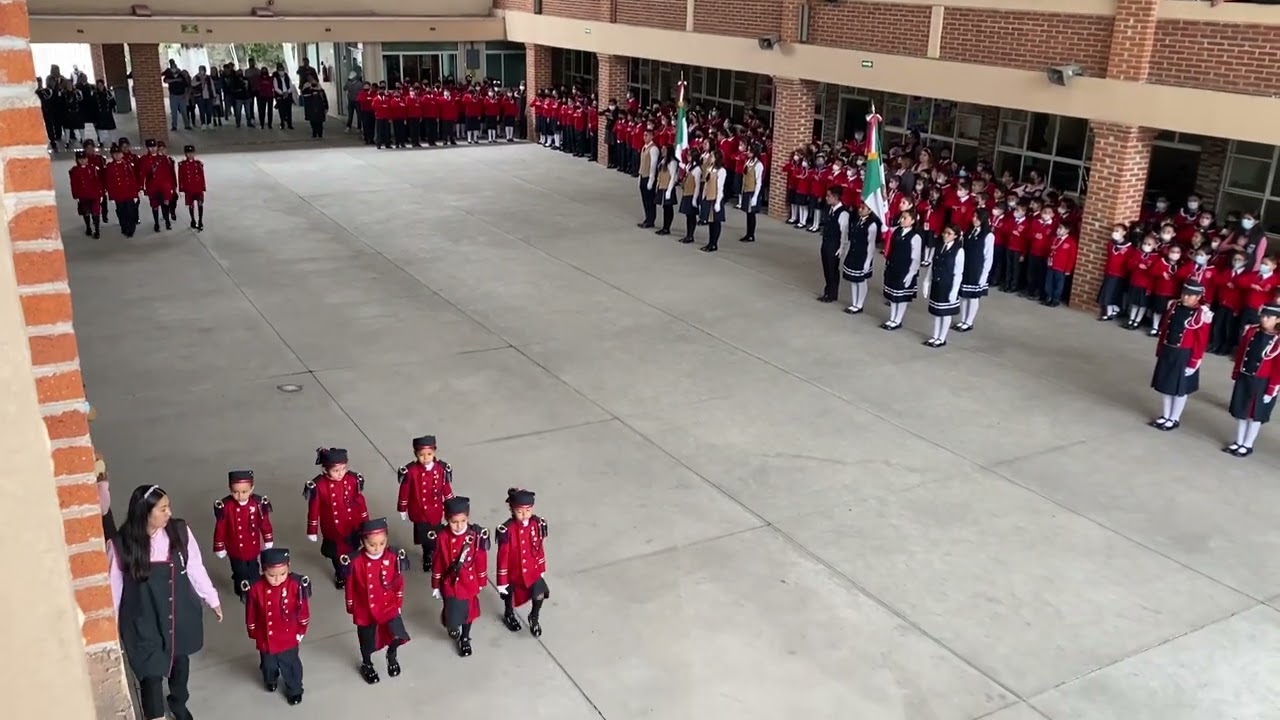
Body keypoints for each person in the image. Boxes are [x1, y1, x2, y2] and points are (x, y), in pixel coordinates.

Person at [109, 485, 222, 720]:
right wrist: (112, 631)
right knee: (150, 676)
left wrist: (211, 598)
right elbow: (113, 589)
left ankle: (178, 702)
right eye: (162, 509)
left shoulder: (179, 532)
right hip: (143, 621)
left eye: (168, 507)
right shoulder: (120, 545)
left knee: (180, 666)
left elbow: (194, 567)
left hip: (177, 614)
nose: (168, 513)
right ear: (145, 513)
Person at [341, 519, 411, 683]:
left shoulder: (393, 557)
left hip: (388, 606)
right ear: (363, 541)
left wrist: (398, 604)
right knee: (367, 641)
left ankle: (392, 654)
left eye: (381, 543)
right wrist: (351, 606)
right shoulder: (356, 561)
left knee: (397, 635)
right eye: (372, 544)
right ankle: (367, 664)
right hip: (365, 610)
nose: (377, 548)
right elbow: (350, 586)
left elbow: (398, 582)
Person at [244, 548, 309, 705]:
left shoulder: (296, 585)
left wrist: (301, 629)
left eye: (282, 574)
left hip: (288, 635)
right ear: (263, 570)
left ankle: (294, 689)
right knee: (268, 663)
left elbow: (303, 609)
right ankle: (270, 679)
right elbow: (251, 611)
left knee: (291, 664)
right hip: (266, 635)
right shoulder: (255, 587)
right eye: (271, 575)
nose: (277, 579)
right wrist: (252, 629)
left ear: (289, 567)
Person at [1148, 282, 1211, 431]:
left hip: (1184, 353)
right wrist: (1160, 349)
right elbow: (1165, 329)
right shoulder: (1174, 306)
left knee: (1179, 389)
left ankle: (1174, 418)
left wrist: (1194, 361)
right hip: (1169, 349)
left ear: (1198, 297)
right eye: (1184, 293)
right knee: (1165, 385)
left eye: (1190, 295)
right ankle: (1165, 414)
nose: (1185, 297)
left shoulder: (1201, 314)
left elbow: (1201, 341)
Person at [430, 496, 489, 657]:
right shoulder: (441, 537)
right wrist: (435, 585)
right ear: (447, 519)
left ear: (467, 518)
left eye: (462, 521)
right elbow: (438, 563)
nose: (458, 526)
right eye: (454, 522)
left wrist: (482, 580)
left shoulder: (475, 536)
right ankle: (452, 625)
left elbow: (481, 559)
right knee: (453, 613)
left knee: (469, 614)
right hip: (450, 584)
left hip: (469, 583)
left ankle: (465, 637)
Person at [305, 447, 370, 588]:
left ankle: (352, 573)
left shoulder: (353, 479)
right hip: (332, 528)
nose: (341, 473)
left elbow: (360, 501)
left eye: (343, 469)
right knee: (337, 554)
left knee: (353, 550)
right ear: (325, 470)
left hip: (352, 524)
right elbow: (314, 509)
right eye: (336, 470)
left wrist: (365, 521)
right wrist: (312, 528)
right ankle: (340, 573)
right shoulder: (319, 486)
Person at [1225, 304, 1280, 458]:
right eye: (1263, 316)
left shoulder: (1278, 340)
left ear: (1277, 320)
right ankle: (1239, 441)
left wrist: (1272, 389)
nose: (1264, 319)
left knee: (1255, 416)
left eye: (1268, 317)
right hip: (1245, 376)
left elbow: (1278, 368)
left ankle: (1247, 444)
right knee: (1241, 412)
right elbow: (1242, 352)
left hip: (1262, 381)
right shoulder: (1252, 331)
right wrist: (1237, 371)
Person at [212, 470, 274, 601]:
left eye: (244, 492)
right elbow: (220, 527)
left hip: (252, 546)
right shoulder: (226, 506)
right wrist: (219, 546)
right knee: (239, 571)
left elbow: (264, 523)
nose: (240, 496)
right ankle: (241, 588)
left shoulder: (258, 503)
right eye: (235, 492)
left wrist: (268, 537)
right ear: (230, 489)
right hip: (234, 547)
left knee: (254, 569)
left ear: (252, 488)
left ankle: (254, 589)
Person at [396, 435, 455, 572]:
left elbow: (446, 487)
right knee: (425, 537)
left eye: (429, 454)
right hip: (419, 512)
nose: (426, 457)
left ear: (434, 452)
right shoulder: (411, 471)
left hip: (435, 510)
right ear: (415, 454)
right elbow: (404, 490)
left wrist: (451, 503)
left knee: (437, 535)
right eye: (421, 455)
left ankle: (434, 554)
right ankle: (427, 554)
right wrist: (402, 507)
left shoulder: (441, 469)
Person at [496, 488, 550, 637]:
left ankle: (534, 617)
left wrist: (541, 566)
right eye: (520, 511)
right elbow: (502, 557)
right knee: (509, 595)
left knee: (539, 594)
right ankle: (509, 614)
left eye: (528, 510)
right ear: (512, 510)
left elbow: (539, 547)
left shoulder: (536, 524)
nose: (525, 514)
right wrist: (502, 581)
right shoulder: (507, 530)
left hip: (532, 570)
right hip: (514, 572)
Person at [882, 208, 924, 331]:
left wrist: (911, 274)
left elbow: (915, 258)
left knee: (902, 296)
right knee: (893, 295)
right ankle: (892, 317)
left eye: (905, 218)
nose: (902, 220)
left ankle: (898, 319)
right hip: (894, 267)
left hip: (905, 270)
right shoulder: (897, 232)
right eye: (901, 217)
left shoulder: (915, 237)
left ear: (912, 221)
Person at [955, 208, 995, 332]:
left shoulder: (988, 235)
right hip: (966, 266)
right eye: (973, 216)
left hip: (977, 269)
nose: (974, 219)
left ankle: (969, 321)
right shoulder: (969, 231)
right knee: (963, 295)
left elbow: (988, 257)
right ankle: (963, 319)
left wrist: (984, 274)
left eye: (977, 217)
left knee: (973, 297)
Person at [925, 225, 965, 347]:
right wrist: (927, 281)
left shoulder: (959, 251)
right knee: (937, 312)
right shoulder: (939, 247)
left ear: (955, 236)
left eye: (949, 233)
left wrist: (954, 290)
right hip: (937, 283)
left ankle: (942, 338)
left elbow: (958, 273)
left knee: (945, 313)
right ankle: (935, 335)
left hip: (948, 284)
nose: (945, 235)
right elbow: (933, 265)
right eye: (944, 233)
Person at [841, 201, 880, 315]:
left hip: (863, 254)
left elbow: (871, 244)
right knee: (853, 279)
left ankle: (860, 304)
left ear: (870, 210)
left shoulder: (872, 225)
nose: (860, 209)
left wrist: (868, 260)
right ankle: (854, 302)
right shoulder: (856, 221)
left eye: (864, 208)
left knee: (861, 281)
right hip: (853, 252)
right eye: (860, 207)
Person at [818, 186, 850, 304]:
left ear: (836, 197)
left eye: (829, 196)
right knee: (826, 268)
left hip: (834, 245)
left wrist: (842, 247)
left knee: (832, 270)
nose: (827, 198)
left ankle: (832, 293)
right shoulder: (831, 209)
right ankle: (828, 291)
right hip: (826, 242)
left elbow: (844, 232)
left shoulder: (843, 213)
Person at [1098, 224, 1133, 321]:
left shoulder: (1129, 248)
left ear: (1124, 233)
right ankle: (1109, 312)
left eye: (1117, 230)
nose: (1115, 233)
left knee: (1112, 293)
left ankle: (1111, 311)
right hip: (1109, 272)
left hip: (1119, 274)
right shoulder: (1110, 245)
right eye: (1114, 230)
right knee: (1107, 293)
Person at [1124, 235, 1159, 330]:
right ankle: (1131, 319)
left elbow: (1155, 272)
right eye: (1145, 243)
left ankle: (1137, 321)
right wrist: (1137, 265)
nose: (1146, 245)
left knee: (1143, 305)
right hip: (1135, 283)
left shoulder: (1156, 257)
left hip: (1146, 285)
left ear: (1155, 245)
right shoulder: (1137, 253)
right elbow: (1129, 265)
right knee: (1134, 303)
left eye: (1149, 244)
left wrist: (1148, 268)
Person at [104, 144, 139, 237]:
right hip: (118, 193)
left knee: (130, 211)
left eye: (119, 153)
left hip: (128, 192)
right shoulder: (110, 167)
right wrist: (111, 195)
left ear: (122, 154)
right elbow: (109, 182)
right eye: (115, 154)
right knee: (121, 211)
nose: (117, 155)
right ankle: (124, 226)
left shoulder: (128, 165)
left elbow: (133, 179)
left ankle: (131, 228)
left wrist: (135, 193)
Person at [69, 149, 103, 238]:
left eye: (84, 158)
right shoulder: (74, 171)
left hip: (94, 194)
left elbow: (98, 181)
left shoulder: (93, 168)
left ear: (87, 159)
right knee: (86, 212)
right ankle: (88, 226)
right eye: (80, 159)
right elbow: (73, 183)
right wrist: (75, 195)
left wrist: (101, 192)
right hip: (83, 195)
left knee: (96, 212)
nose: (82, 161)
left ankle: (97, 229)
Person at [1043, 221, 1078, 308]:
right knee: (1049, 282)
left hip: (1061, 267)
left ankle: (1056, 299)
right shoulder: (1054, 238)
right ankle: (1049, 297)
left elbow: (1071, 257)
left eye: (1061, 228)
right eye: (1058, 228)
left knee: (1058, 284)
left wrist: (1068, 269)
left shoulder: (1071, 242)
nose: (1058, 230)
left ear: (1067, 230)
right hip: (1051, 264)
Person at [699, 150, 727, 253]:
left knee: (716, 222)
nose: (710, 158)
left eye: (712, 157)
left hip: (715, 198)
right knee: (710, 222)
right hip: (708, 197)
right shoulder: (709, 168)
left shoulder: (721, 171)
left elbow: (720, 187)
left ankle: (714, 243)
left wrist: (718, 202)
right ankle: (710, 242)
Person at [177, 144, 206, 231]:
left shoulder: (198, 164)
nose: (190, 155)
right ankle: (193, 220)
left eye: (192, 153)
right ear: (185, 154)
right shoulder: (182, 165)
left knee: (200, 204)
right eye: (188, 153)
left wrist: (203, 187)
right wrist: (181, 189)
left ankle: (200, 221)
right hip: (189, 189)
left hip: (198, 188)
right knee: (191, 206)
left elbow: (202, 176)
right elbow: (180, 177)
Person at [678, 149, 703, 244]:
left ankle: (690, 235)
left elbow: (697, 185)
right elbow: (686, 168)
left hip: (692, 194)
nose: (688, 157)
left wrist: (694, 199)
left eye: (689, 155)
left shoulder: (697, 169)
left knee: (691, 216)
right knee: (688, 216)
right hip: (686, 193)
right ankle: (688, 234)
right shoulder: (690, 166)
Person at [636, 128, 660, 229]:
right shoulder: (644, 147)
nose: (644, 137)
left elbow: (653, 164)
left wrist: (651, 178)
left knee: (650, 200)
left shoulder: (654, 149)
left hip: (649, 177)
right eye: (644, 135)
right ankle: (647, 218)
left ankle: (651, 219)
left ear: (651, 136)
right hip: (643, 175)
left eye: (646, 135)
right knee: (644, 199)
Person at [655, 144, 680, 236]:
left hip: (667, 187)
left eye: (664, 149)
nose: (662, 150)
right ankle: (664, 226)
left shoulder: (672, 162)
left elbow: (673, 176)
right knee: (665, 207)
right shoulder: (663, 160)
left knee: (668, 208)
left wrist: (669, 190)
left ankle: (667, 227)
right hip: (662, 186)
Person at [163, 59, 191, 131]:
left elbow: (186, 86)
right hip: (173, 96)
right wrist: (175, 80)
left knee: (184, 111)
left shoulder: (181, 75)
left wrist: (185, 94)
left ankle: (187, 125)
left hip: (181, 96)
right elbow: (165, 80)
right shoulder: (169, 74)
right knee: (174, 112)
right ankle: (174, 126)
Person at [273, 64, 296, 130]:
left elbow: (291, 86)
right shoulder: (276, 78)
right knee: (281, 110)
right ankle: (282, 123)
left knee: (289, 110)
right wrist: (282, 93)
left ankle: (289, 124)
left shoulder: (287, 77)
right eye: (280, 70)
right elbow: (276, 87)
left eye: (282, 70)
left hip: (288, 95)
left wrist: (287, 92)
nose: (281, 71)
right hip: (280, 96)